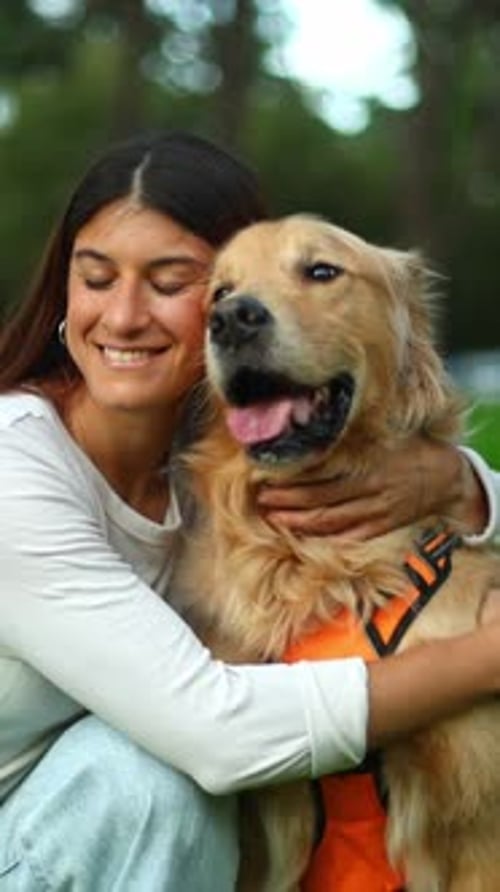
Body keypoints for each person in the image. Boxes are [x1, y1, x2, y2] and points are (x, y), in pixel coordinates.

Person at [0, 129, 498, 892]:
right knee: (146, 777)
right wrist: (483, 659)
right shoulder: (15, 473)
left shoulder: (206, 465)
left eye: (172, 283)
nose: (124, 315)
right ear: (63, 294)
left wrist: (462, 485)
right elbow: (217, 733)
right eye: (96, 278)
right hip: (37, 835)